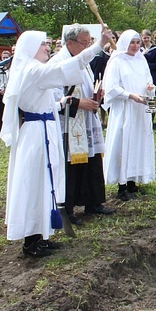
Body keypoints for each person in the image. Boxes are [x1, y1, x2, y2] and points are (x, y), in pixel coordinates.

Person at [0, 29, 108, 257]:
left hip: (44, 130)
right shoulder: (33, 69)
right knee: (36, 183)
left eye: (48, 44)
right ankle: (31, 241)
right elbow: (66, 67)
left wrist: (61, 102)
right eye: (43, 45)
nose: (48, 48)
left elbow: (47, 101)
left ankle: (42, 235)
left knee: (46, 183)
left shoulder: (33, 70)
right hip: (37, 135)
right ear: (30, 49)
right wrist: (99, 45)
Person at [52, 24, 115, 225]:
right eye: (84, 43)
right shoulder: (58, 62)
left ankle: (93, 202)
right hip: (70, 123)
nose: (87, 47)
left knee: (92, 161)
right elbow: (55, 98)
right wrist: (80, 103)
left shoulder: (82, 60)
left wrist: (96, 95)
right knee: (72, 167)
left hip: (87, 118)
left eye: (89, 42)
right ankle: (68, 209)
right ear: (70, 42)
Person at [102, 29, 156, 200]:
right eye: (132, 42)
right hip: (125, 109)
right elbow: (111, 87)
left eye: (137, 42)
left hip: (140, 110)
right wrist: (130, 95)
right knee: (124, 143)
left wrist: (149, 88)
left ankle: (133, 181)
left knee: (138, 143)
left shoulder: (142, 60)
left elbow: (149, 80)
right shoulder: (117, 61)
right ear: (125, 42)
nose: (135, 46)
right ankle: (122, 185)